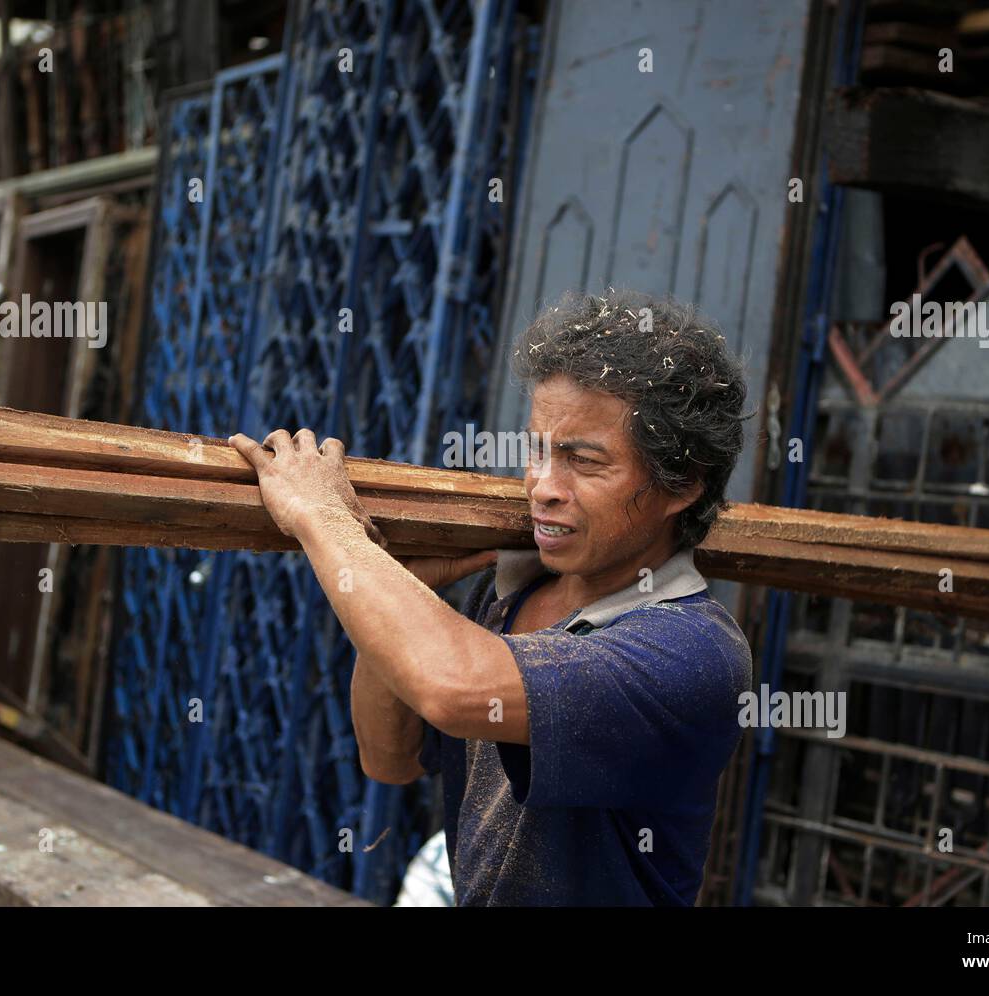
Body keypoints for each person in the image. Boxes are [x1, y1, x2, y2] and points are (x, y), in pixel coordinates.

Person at [230, 288, 752, 906]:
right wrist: (403, 582)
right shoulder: (513, 591)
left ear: (681, 485)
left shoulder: (689, 653)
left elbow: (451, 687)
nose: (542, 486)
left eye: (583, 461)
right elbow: (389, 758)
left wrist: (321, 517)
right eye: (536, 450)